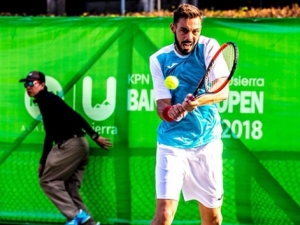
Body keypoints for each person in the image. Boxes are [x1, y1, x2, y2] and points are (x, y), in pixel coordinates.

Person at [149, 4, 230, 225]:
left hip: (206, 143)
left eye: (195, 31)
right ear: (173, 28)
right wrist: (171, 111)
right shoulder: (158, 59)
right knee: (164, 215)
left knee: (212, 219)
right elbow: (161, 107)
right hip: (171, 144)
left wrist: (197, 101)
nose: (190, 36)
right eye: (184, 30)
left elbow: (222, 91)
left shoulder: (209, 47)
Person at [19, 71, 113, 225]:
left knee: (47, 182)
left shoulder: (45, 98)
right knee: (70, 187)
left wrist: (95, 136)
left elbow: (71, 118)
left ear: (42, 85)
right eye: (26, 84)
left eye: (31, 83)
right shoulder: (47, 100)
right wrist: (43, 161)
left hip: (71, 146)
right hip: (80, 145)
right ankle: (89, 223)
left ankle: (76, 216)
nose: (28, 87)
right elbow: (53, 131)